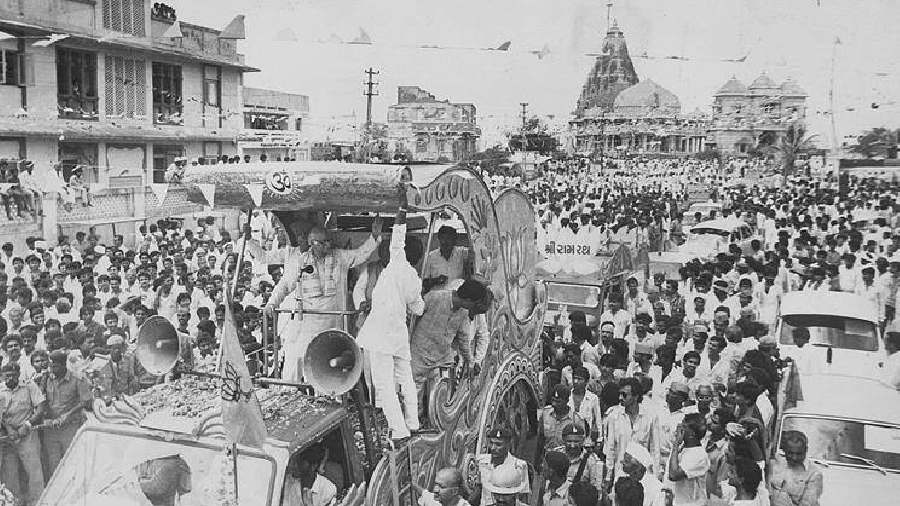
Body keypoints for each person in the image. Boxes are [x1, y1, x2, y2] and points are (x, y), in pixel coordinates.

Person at [264, 218, 382, 381]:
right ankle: (288, 394)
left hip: (333, 325)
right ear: (313, 243)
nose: (328, 245)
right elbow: (284, 285)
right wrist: (272, 303)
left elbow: (360, 254)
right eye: (324, 242)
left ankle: (329, 402)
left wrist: (374, 236)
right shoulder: (300, 262)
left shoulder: (340, 257)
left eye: (328, 241)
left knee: (328, 370)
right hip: (308, 324)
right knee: (295, 360)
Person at [357, 191, 425, 440]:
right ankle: (413, 422)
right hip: (397, 334)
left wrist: (402, 211)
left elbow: (398, 233)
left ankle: (399, 430)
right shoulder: (415, 279)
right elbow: (419, 308)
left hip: (380, 333)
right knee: (405, 379)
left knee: (385, 384)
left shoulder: (397, 261)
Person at [410, 279, 487, 420]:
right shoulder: (434, 297)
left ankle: (436, 429)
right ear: (468, 299)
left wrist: (471, 362)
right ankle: (412, 429)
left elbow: (464, 340)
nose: (473, 309)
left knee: (440, 398)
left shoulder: (463, 312)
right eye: (474, 304)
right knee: (414, 397)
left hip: (441, 358)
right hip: (419, 354)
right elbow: (412, 319)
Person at [0, 362, 46, 504]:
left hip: (28, 434)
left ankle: (38, 501)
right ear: (2, 376)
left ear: (19, 375)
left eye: (13, 376)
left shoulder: (29, 386)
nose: (10, 380)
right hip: (8, 437)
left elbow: (40, 407)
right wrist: (9, 428)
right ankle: (13, 502)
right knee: (10, 474)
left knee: (34, 471)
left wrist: (28, 424)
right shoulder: (0, 390)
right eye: (7, 377)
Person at [42, 349, 93, 475]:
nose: (53, 369)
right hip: (52, 428)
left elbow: (86, 402)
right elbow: (42, 401)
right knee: (54, 465)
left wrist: (68, 414)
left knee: (72, 462)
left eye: (55, 366)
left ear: (63, 365)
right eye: (51, 366)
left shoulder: (77, 379)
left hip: (70, 427)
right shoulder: (47, 379)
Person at [476, 427, 530, 506]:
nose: (493, 448)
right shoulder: (481, 462)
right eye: (491, 443)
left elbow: (523, 495)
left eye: (498, 444)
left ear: (508, 445)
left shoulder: (519, 466)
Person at [767, 430, 823, 506]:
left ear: (806, 450)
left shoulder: (814, 474)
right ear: (785, 450)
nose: (794, 458)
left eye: (799, 454)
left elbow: (807, 504)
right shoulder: (775, 464)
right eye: (790, 453)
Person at [536, 385, 585, 468]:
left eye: (558, 401)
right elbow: (540, 440)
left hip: (566, 464)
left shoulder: (576, 420)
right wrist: (536, 462)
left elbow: (580, 446)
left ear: (566, 401)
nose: (554, 404)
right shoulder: (545, 414)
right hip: (547, 463)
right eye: (553, 400)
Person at [667, 413, 709, 506]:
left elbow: (674, 475)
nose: (679, 429)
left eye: (683, 427)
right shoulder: (682, 449)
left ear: (692, 433)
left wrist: (675, 445)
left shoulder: (699, 455)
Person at [422, 225, 472, 292]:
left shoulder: (461, 253)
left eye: (449, 238)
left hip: (456, 298)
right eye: (442, 238)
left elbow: (474, 251)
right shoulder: (430, 256)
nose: (445, 242)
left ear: (454, 241)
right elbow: (424, 282)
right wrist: (436, 280)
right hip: (437, 297)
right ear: (439, 239)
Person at [556, 422, 604, 492]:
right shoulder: (556, 455)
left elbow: (596, 489)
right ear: (563, 439)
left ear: (583, 440)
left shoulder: (591, 461)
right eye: (569, 441)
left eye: (576, 441)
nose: (572, 445)